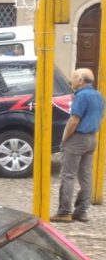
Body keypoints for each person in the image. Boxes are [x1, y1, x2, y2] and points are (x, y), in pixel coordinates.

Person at [56, 68, 105, 222]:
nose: (71, 80)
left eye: (74, 77)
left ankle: (64, 212)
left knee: (68, 175)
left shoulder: (81, 96)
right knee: (86, 177)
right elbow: (101, 116)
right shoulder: (99, 96)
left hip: (77, 139)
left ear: (81, 80)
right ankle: (81, 211)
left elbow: (74, 120)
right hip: (91, 138)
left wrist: (65, 138)